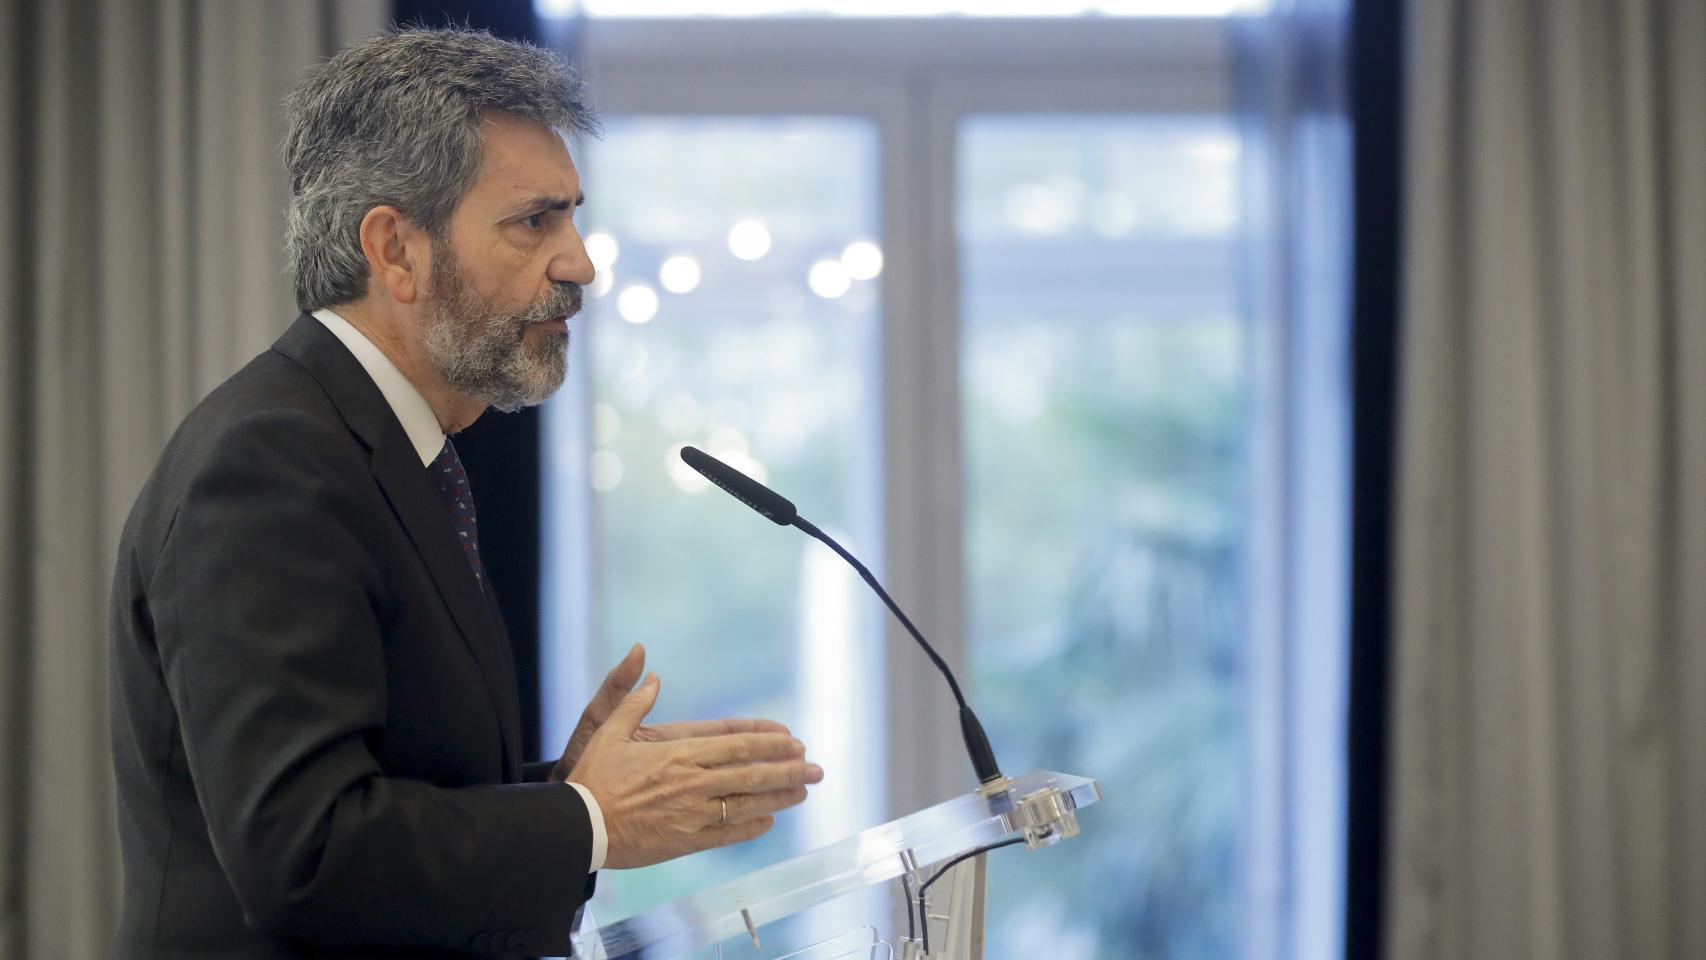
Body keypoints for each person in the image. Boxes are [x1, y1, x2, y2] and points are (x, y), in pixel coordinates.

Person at [107, 27, 822, 959]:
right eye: (535, 222)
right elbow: (305, 853)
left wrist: (565, 790)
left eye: (571, 217)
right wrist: (587, 820)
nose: (580, 263)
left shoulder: (390, 448)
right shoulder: (270, 463)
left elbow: (384, 786)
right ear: (395, 250)